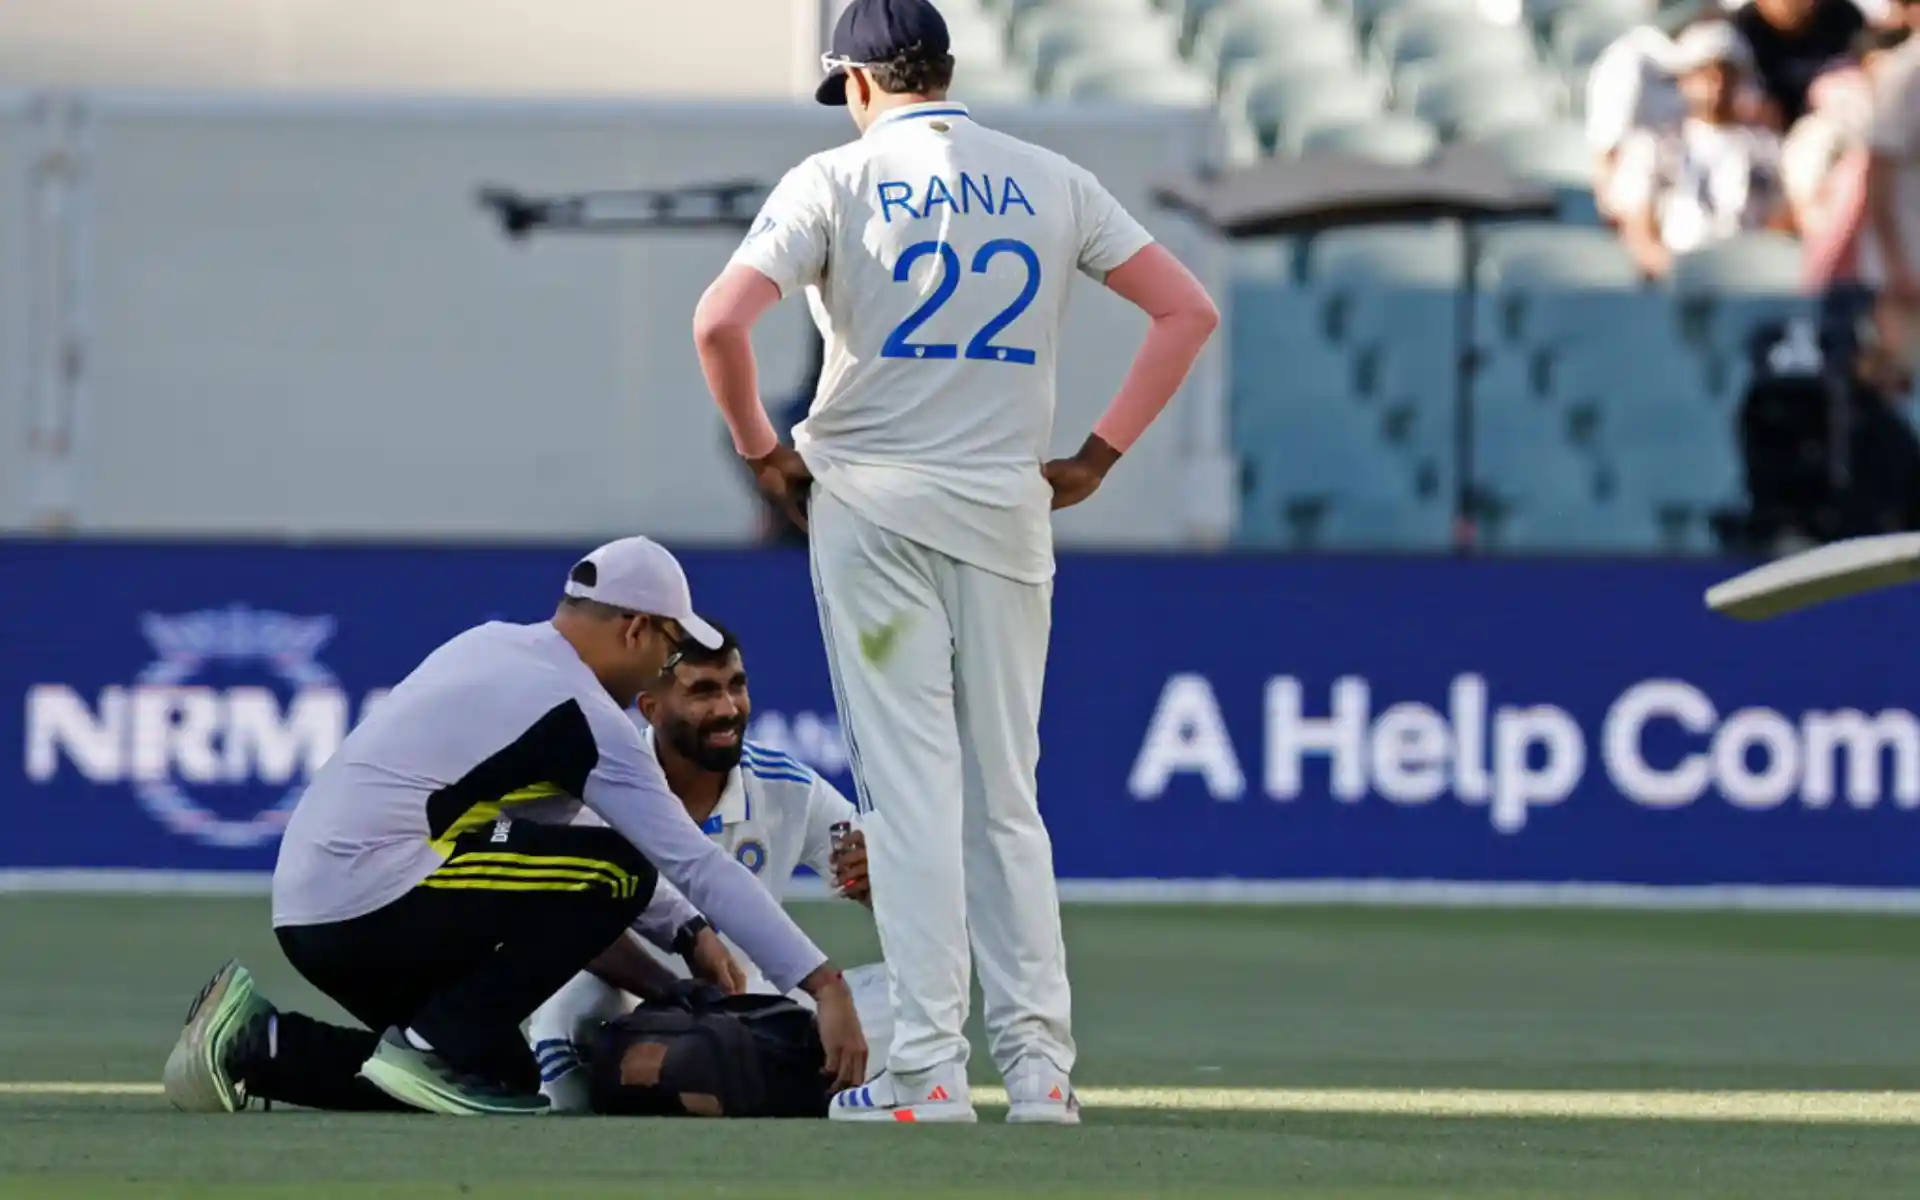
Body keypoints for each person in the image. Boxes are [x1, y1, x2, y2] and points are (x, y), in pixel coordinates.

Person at [689, 0, 1219, 1124]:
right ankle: (1042, 1074)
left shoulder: (834, 182)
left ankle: (927, 1071)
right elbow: (1185, 311)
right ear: (945, 70)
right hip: (1007, 513)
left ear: (860, 85)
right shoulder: (1050, 176)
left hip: (874, 517)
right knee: (1006, 801)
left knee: (911, 799)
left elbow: (720, 324)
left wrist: (762, 454)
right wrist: (1101, 454)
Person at [160, 537, 866, 1116]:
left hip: (322, 908)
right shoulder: (583, 714)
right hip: (371, 897)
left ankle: (258, 1043)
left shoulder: (493, 646)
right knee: (619, 867)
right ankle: (429, 1044)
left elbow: (550, 883)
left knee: (499, 1078)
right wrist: (823, 987)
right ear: (635, 629)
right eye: (670, 649)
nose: (663, 667)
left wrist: (677, 956)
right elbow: (684, 863)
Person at [525, 619, 893, 1113]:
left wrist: (885, 880)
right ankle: (737, 1080)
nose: (727, 709)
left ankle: (710, 1077)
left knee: (911, 997)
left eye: (736, 686)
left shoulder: (787, 788)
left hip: (751, 1006)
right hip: (627, 996)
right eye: (702, 691)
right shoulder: (604, 779)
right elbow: (567, 918)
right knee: (566, 1040)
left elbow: (881, 880)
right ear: (651, 708)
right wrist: (675, 991)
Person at [1613, 21, 1792, 278]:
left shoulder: (1768, 149)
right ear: (1683, 78)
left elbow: (1783, 223)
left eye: (1726, 72)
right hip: (1677, 282)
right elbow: (1638, 232)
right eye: (1703, 72)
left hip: (1749, 277)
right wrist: (1680, 274)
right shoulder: (1652, 145)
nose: (1716, 83)